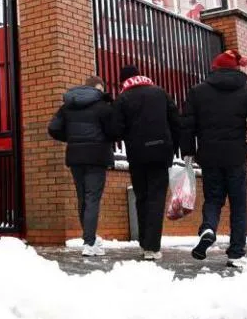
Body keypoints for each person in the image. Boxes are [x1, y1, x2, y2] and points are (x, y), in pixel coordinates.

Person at [182, 50, 247, 267]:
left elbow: (186, 125)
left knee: (213, 199)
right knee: (238, 204)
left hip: (209, 155)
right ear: (236, 68)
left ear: (215, 68)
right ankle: (236, 253)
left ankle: (208, 228)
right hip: (236, 156)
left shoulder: (197, 92)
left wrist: (189, 151)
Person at [111, 65, 180, 260]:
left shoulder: (123, 98)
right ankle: (152, 247)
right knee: (156, 198)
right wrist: (173, 148)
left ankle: (144, 243)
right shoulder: (160, 93)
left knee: (141, 197)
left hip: (137, 155)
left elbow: (115, 129)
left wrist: (130, 137)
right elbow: (176, 122)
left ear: (124, 80)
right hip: (161, 153)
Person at [48, 76, 116, 257]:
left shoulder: (68, 106)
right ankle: (89, 242)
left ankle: (89, 237)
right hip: (96, 157)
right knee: (92, 198)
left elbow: (53, 128)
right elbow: (114, 131)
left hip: (75, 157)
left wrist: (72, 139)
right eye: (101, 88)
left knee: (82, 198)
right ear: (96, 88)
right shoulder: (102, 106)